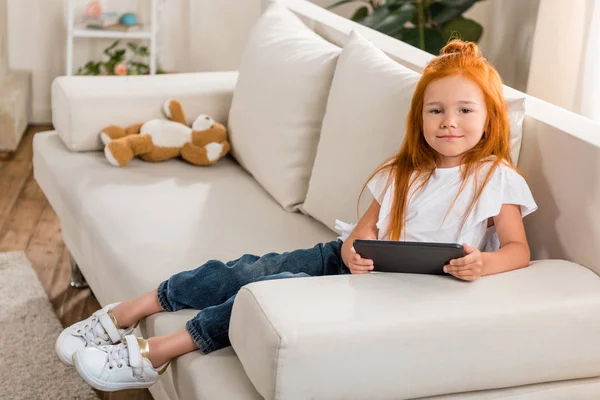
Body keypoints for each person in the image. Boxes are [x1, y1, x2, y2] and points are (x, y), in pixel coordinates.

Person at [55, 39, 537, 392]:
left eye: (464, 110)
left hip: (392, 289)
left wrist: (483, 264)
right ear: (420, 118)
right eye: (436, 110)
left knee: (264, 290)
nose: (449, 121)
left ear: (489, 117)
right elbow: (366, 229)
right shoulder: (400, 170)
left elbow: (518, 249)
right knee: (246, 269)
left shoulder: (495, 177)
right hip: (350, 263)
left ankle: (153, 354)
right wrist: (351, 248)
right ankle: (127, 312)